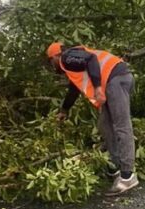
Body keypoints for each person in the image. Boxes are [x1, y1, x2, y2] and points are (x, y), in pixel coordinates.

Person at [46, 43, 138, 196]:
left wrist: (97, 88)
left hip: (116, 79)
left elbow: (91, 59)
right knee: (104, 125)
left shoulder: (67, 57)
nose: (52, 65)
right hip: (112, 80)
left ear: (55, 56)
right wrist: (64, 110)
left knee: (122, 125)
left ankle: (128, 176)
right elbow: (73, 90)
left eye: (50, 61)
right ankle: (116, 167)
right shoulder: (72, 65)